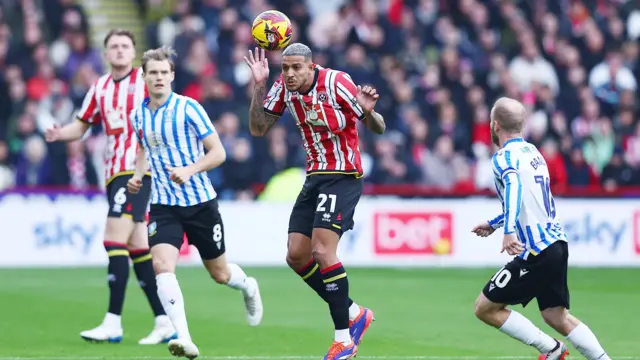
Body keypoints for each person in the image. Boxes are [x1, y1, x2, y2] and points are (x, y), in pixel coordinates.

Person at [245, 44, 385, 360]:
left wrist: (367, 111)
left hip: (344, 176)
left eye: (296, 68)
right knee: (296, 256)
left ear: (311, 67)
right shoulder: (283, 89)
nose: (290, 74)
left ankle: (343, 340)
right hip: (315, 178)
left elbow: (379, 127)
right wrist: (259, 83)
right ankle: (354, 312)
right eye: (285, 68)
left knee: (323, 251)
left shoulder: (337, 83)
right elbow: (258, 128)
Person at [128, 45, 263, 360]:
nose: (159, 78)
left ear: (172, 75)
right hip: (163, 205)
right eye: (153, 73)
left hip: (201, 203)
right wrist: (138, 175)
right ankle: (184, 337)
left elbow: (219, 153)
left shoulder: (189, 108)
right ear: (144, 78)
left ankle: (248, 287)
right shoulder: (138, 115)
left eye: (164, 72)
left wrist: (190, 170)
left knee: (220, 274)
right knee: (161, 266)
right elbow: (144, 149)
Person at [45, 29, 176, 345]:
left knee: (112, 238)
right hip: (112, 171)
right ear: (105, 54)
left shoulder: (146, 81)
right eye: (113, 46)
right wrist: (59, 133)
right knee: (137, 248)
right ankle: (164, 321)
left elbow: (168, 108)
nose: (119, 51)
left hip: (138, 171)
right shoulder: (99, 87)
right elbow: (83, 124)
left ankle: (113, 321)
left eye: (125, 46)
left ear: (133, 52)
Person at [471, 97, 611, 360]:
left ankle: (552, 349)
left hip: (536, 252)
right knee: (556, 316)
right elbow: (528, 201)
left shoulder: (503, 157)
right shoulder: (534, 153)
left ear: (495, 124)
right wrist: (494, 223)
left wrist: (508, 229)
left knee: (485, 308)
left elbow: (514, 187)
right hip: (557, 245)